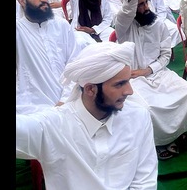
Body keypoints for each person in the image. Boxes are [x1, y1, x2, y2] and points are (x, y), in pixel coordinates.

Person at [16, 41, 158, 189]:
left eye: (128, 81)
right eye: (119, 84)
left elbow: (145, 181)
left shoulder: (139, 117)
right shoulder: (53, 125)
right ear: (90, 89)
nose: (129, 91)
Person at [114, 0, 187, 160]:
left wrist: (149, 69)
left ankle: (178, 130)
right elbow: (128, 1)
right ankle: (157, 142)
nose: (145, 7)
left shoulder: (157, 24)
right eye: (140, 5)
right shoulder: (124, 25)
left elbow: (165, 55)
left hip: (156, 72)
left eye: (146, 3)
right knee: (147, 107)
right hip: (133, 77)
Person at [16, 0, 80, 114]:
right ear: (22, 1)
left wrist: (66, 98)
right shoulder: (18, 30)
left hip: (68, 101)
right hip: (31, 106)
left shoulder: (61, 25)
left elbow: (75, 62)